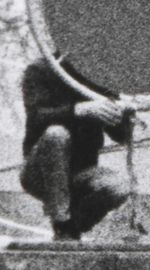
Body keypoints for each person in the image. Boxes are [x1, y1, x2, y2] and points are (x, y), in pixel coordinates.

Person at [20, 55, 133, 242]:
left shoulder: (100, 75)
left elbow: (121, 136)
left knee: (119, 186)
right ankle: (60, 220)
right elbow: (36, 117)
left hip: (82, 173)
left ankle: (70, 230)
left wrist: (124, 113)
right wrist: (78, 110)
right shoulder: (41, 69)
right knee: (56, 134)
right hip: (39, 172)